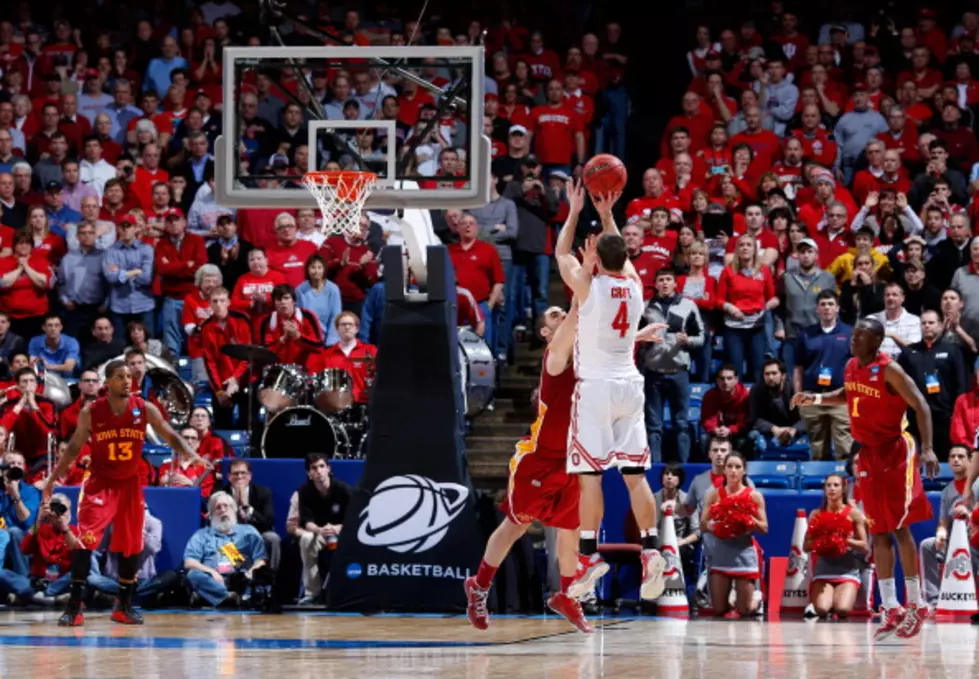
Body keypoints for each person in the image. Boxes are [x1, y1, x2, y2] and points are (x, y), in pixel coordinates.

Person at [554, 179, 667, 602]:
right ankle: (652, 549)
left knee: (590, 478)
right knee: (636, 477)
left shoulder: (589, 288)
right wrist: (605, 214)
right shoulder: (636, 287)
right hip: (629, 386)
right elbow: (620, 252)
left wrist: (574, 211)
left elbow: (562, 253)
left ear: (596, 259)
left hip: (597, 389)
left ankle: (587, 555)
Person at [792, 317, 938, 641]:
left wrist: (928, 449)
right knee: (879, 532)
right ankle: (891, 607)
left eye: (860, 335)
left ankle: (916, 604)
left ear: (877, 341)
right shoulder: (851, 366)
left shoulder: (891, 370)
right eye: (854, 334)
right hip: (868, 453)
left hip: (896, 451)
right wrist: (814, 398)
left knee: (900, 529)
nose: (853, 339)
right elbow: (848, 394)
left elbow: (922, 406)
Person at [42, 359, 211, 627]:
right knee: (86, 542)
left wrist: (191, 453)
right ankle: (74, 606)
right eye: (120, 376)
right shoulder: (92, 412)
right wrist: (53, 478)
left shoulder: (143, 408)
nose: (127, 380)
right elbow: (73, 448)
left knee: (132, 545)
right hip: (100, 482)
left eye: (129, 376)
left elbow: (169, 434)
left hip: (130, 485)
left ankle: (124, 605)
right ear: (107, 382)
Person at [465, 302, 590, 633]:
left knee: (570, 529)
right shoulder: (554, 356)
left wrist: (639, 335)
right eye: (554, 315)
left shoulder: (584, 353)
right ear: (546, 333)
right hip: (539, 457)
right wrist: (581, 283)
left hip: (570, 457)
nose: (562, 316)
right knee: (516, 525)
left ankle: (566, 594)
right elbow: (579, 313)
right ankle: (478, 586)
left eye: (563, 312)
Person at [700, 452, 768, 617]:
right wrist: (715, 526)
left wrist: (747, 522)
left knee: (744, 610)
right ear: (724, 470)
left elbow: (764, 528)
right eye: (729, 466)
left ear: (744, 471)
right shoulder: (713, 494)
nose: (733, 471)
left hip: (743, 554)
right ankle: (732, 597)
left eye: (738, 467)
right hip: (721, 554)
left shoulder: (754, 495)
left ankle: (756, 599)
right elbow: (702, 525)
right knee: (719, 610)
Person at [803, 474, 869, 619]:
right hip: (823, 570)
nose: (832, 489)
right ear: (824, 489)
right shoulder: (816, 514)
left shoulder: (853, 513)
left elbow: (864, 546)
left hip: (847, 571)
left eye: (836, 485)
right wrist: (823, 542)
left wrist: (845, 541)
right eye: (828, 485)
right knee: (821, 610)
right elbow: (805, 546)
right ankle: (822, 602)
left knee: (843, 609)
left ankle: (835, 601)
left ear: (843, 489)